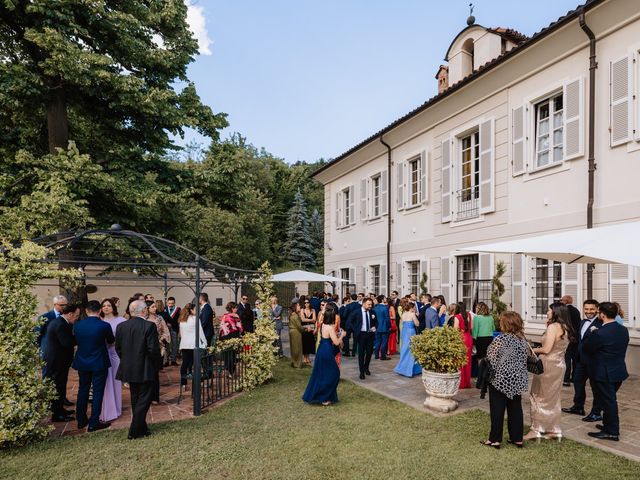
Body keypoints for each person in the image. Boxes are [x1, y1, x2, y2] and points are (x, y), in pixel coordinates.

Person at [524, 302, 576, 441]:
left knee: (538, 396)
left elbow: (546, 349)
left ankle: (536, 429)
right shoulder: (565, 327)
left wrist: (531, 350)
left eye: (548, 310)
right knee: (552, 398)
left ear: (555, 312)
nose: (547, 312)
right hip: (559, 364)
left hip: (548, 365)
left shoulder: (553, 327)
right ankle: (553, 429)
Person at [116, 299, 162, 440]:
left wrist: (127, 361)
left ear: (130, 312)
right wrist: (157, 364)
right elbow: (153, 349)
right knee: (144, 400)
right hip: (145, 367)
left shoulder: (121, 326)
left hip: (128, 367)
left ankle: (142, 428)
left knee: (136, 398)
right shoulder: (149, 326)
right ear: (144, 311)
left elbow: (118, 349)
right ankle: (134, 430)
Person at [584, 302, 630, 441]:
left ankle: (612, 431)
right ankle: (607, 424)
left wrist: (592, 334)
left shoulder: (600, 333)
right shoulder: (623, 329)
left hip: (603, 373)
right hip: (618, 371)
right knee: (606, 401)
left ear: (602, 315)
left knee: (609, 402)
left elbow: (588, 349)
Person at [483, 311, 529, 449]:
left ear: (506, 324)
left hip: (500, 379)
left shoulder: (500, 339)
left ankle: (494, 440)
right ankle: (517, 439)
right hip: (517, 378)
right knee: (515, 409)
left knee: (497, 410)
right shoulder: (523, 340)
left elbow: (490, 357)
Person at [73, 300, 115, 432]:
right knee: (97, 392)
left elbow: (76, 341)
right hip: (99, 362)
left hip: (82, 361)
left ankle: (81, 420)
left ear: (86, 311)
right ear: (100, 310)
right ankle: (94, 422)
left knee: (83, 390)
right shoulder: (104, 325)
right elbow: (111, 341)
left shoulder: (77, 325)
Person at [562, 299, 603, 421]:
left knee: (596, 387)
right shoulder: (582, 322)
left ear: (597, 309)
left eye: (591, 309)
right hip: (581, 360)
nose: (588, 311)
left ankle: (596, 412)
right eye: (586, 309)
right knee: (577, 381)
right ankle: (578, 406)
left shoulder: (601, 323)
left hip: (594, 361)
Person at [302, 303, 344, 405]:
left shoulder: (322, 325)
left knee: (321, 373)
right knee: (334, 373)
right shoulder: (329, 327)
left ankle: (323, 396)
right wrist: (342, 335)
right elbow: (336, 342)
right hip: (327, 350)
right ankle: (324, 397)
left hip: (322, 349)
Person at [43, 303, 79, 422]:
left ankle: (60, 410)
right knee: (57, 387)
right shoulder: (61, 325)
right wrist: (80, 338)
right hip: (56, 361)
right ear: (70, 314)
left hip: (59, 360)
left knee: (61, 385)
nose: (77, 318)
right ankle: (57, 414)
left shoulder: (61, 322)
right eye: (76, 316)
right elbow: (67, 343)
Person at [99, 298, 126, 423]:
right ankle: (107, 409)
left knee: (115, 382)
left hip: (115, 354)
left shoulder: (120, 321)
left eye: (108, 305)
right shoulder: (99, 321)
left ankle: (117, 408)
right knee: (104, 383)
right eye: (104, 305)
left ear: (113, 307)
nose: (106, 307)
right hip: (102, 354)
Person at [146, 300, 170, 402]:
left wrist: (160, 340)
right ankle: (146, 396)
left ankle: (155, 397)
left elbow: (166, 331)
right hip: (145, 349)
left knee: (155, 373)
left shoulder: (159, 318)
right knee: (146, 373)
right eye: (152, 307)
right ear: (146, 308)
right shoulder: (144, 319)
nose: (155, 308)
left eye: (155, 306)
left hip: (157, 348)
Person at [178, 303, 206, 389]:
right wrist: (205, 343)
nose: (197, 311)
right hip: (194, 345)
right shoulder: (195, 319)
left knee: (185, 364)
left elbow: (181, 334)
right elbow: (200, 332)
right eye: (195, 309)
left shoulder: (182, 319)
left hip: (185, 344)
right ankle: (199, 383)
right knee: (197, 365)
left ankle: (183, 383)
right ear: (191, 310)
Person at [394, 299, 422, 377]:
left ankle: (402, 368)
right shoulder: (412, 314)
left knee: (404, 349)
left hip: (404, 332)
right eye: (414, 308)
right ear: (412, 308)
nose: (415, 309)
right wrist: (415, 315)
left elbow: (403, 322)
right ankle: (409, 370)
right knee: (411, 350)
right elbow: (417, 324)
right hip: (410, 332)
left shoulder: (403, 314)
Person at [352, 297, 377, 380]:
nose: (370, 306)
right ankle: (361, 372)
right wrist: (356, 331)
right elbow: (350, 322)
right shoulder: (356, 312)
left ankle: (366, 367)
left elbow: (376, 322)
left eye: (371, 304)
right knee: (361, 354)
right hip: (361, 335)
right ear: (363, 304)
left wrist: (375, 327)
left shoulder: (372, 312)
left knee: (369, 353)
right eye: (369, 304)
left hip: (370, 335)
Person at [37, 295, 68, 362]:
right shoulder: (45, 317)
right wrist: (41, 350)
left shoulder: (68, 316)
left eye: (66, 305)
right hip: (48, 353)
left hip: (64, 354)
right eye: (61, 305)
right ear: (55, 305)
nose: (64, 307)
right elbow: (37, 335)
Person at [561, 295, 582, 386]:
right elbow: (579, 323)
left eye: (562, 300)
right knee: (575, 358)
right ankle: (575, 377)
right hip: (576, 337)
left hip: (568, 337)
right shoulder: (576, 310)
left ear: (565, 301)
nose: (561, 301)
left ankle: (566, 379)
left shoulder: (564, 311)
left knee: (567, 359)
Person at [218, 302, 244, 377]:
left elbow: (221, 328)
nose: (237, 309)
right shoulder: (236, 316)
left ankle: (227, 369)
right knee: (232, 354)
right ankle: (231, 372)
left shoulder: (224, 316)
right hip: (233, 337)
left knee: (227, 354)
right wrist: (240, 334)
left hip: (225, 337)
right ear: (232, 308)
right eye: (236, 308)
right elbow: (240, 328)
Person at [453, 302, 473, 389]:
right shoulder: (469, 315)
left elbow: (455, 330)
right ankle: (467, 382)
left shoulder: (457, 317)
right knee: (467, 361)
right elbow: (471, 327)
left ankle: (461, 383)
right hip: (469, 338)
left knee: (460, 361)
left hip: (461, 339)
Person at [163, 297, 181, 366]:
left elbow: (179, 319)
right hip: (166, 329)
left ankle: (173, 360)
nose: (170, 305)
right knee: (167, 344)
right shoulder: (164, 309)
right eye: (169, 303)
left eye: (172, 303)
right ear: (167, 303)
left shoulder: (178, 309)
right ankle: (166, 361)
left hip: (174, 328)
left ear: (174, 303)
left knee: (174, 345)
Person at [300, 296, 317, 365]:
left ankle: (308, 357)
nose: (306, 304)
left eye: (307, 303)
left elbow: (315, 319)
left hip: (311, 329)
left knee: (310, 343)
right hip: (304, 329)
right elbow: (302, 320)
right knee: (304, 343)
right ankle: (304, 358)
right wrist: (310, 320)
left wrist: (309, 320)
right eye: (305, 303)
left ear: (310, 303)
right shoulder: (302, 310)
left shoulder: (313, 310)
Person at [373, 295, 391, 360]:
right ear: (383, 300)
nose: (386, 299)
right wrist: (389, 326)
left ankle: (376, 355)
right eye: (385, 298)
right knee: (384, 342)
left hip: (377, 327)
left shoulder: (375, 307)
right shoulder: (385, 308)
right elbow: (387, 318)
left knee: (377, 341)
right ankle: (383, 356)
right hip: (384, 327)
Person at [288, 301, 304, 368]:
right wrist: (306, 329)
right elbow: (300, 327)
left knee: (293, 347)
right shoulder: (295, 316)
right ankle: (297, 364)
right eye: (298, 306)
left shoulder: (293, 315)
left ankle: (294, 362)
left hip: (292, 331)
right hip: (296, 332)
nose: (300, 307)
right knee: (297, 348)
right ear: (295, 307)